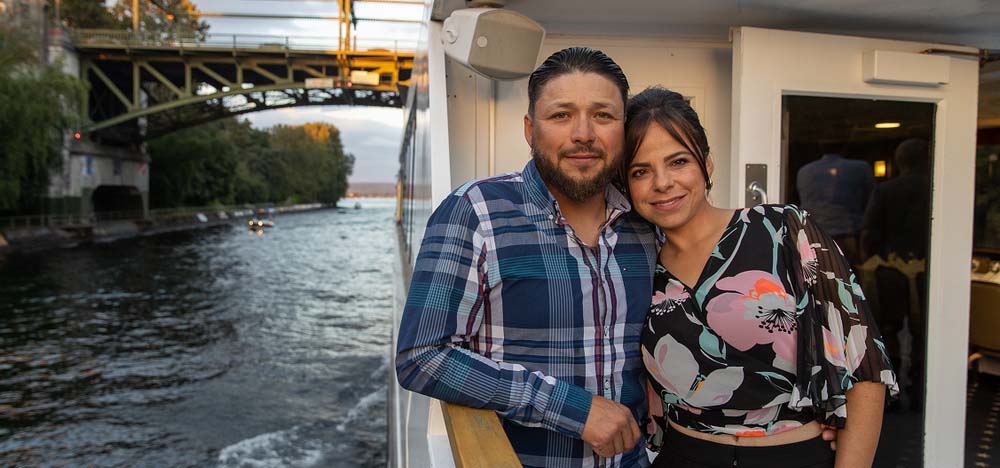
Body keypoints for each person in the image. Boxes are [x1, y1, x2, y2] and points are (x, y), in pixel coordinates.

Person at [395, 47, 658, 467]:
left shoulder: (646, 226)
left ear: (623, 129)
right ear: (530, 129)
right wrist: (573, 408)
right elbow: (420, 356)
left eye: (603, 116)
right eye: (561, 115)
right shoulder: (476, 211)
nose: (584, 134)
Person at [620, 87, 898, 468]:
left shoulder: (784, 230)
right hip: (683, 455)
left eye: (678, 161)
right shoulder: (636, 261)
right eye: (641, 171)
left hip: (794, 456)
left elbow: (865, 367)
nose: (663, 182)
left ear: (707, 163)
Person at [795, 135, 874, 266]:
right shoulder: (860, 168)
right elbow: (871, 201)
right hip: (848, 235)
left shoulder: (804, 171)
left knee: (819, 279)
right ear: (845, 145)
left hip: (814, 236)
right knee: (850, 278)